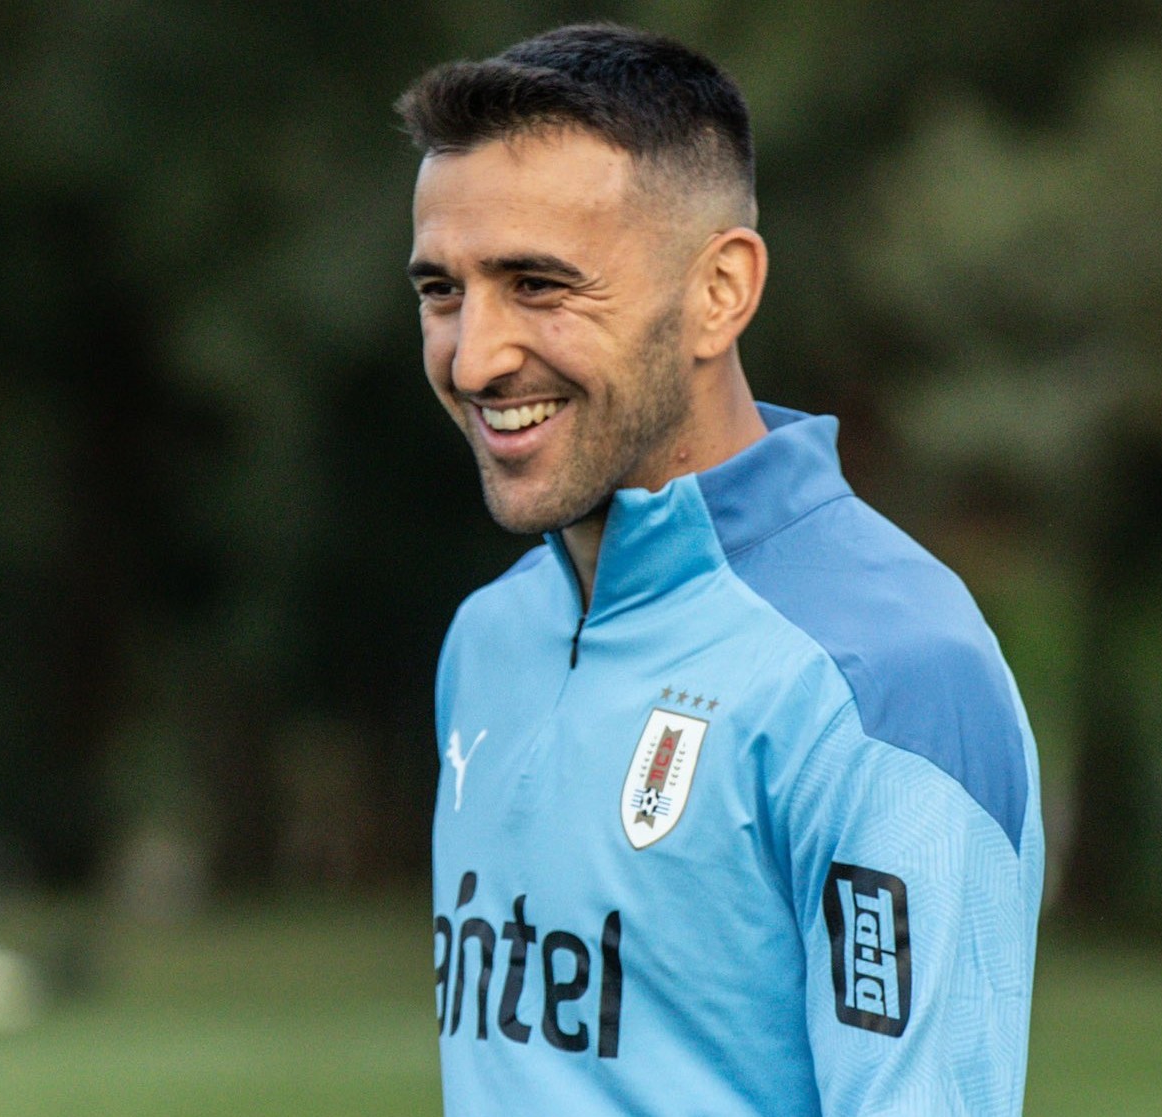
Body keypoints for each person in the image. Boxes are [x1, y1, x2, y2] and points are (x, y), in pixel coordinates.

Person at [399, 23, 1044, 1116]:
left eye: (540, 284)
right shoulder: (490, 638)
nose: (475, 355)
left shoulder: (886, 675)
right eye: (443, 290)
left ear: (720, 291)